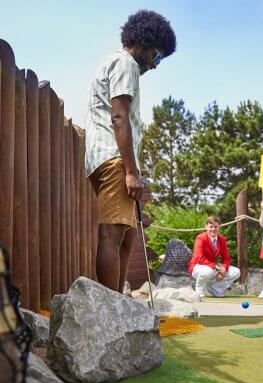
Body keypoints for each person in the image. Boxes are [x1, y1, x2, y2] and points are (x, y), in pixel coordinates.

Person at [84, 10, 176, 292]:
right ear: (146, 42)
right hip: (114, 158)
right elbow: (119, 116)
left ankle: (118, 302)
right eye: (157, 56)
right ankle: (112, 310)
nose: (156, 64)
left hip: (110, 158)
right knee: (112, 234)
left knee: (127, 236)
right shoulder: (125, 63)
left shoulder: (117, 63)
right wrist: (131, 171)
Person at [188, 216, 241, 298]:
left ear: (219, 227)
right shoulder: (200, 238)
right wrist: (216, 267)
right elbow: (200, 258)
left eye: (215, 226)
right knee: (207, 272)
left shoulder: (222, 240)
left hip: (212, 267)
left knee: (236, 272)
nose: (213, 229)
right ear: (206, 227)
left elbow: (226, 258)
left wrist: (222, 270)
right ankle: (199, 291)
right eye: (211, 227)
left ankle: (215, 288)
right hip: (197, 266)